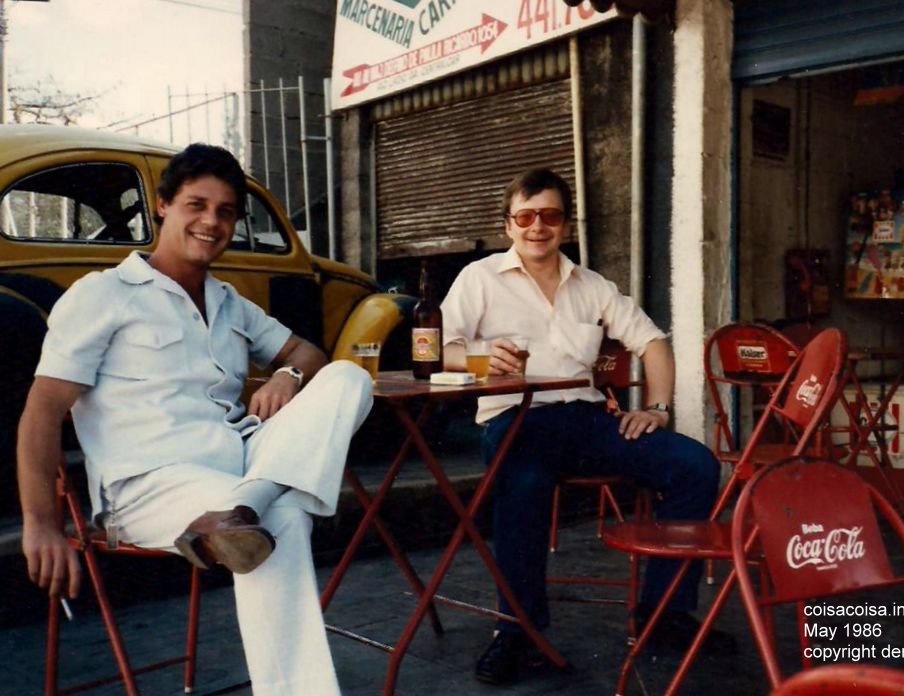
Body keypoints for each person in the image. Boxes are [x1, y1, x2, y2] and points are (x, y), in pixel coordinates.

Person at [17, 143, 373, 695]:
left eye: (226, 211)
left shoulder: (230, 302)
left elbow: (310, 356)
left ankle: (244, 505)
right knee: (281, 523)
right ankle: (251, 515)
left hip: (243, 463)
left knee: (350, 379)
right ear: (162, 206)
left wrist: (287, 378)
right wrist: (40, 524)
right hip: (152, 485)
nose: (211, 221)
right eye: (196, 205)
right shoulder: (104, 294)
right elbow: (41, 411)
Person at [441, 168, 734, 686]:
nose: (537, 227)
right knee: (523, 484)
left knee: (695, 465)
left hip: (587, 419)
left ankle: (664, 614)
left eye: (550, 216)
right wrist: (484, 357)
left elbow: (654, 343)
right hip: (515, 417)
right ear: (508, 224)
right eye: (525, 217)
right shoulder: (479, 278)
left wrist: (659, 408)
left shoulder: (592, 286)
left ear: (566, 224)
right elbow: (442, 349)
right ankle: (518, 633)